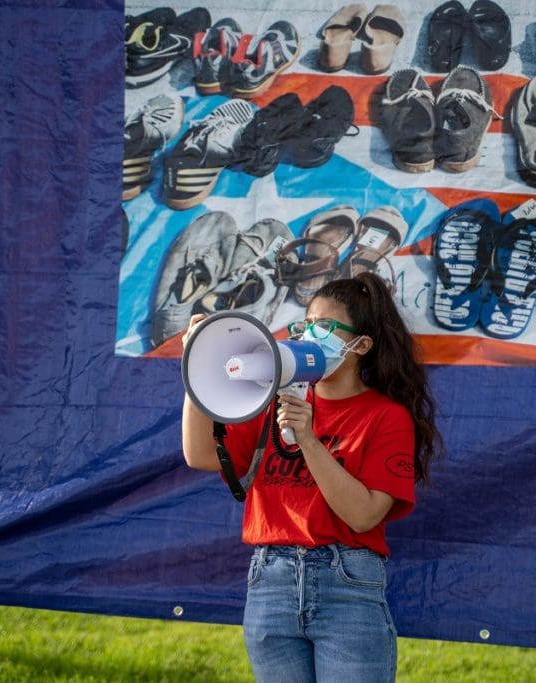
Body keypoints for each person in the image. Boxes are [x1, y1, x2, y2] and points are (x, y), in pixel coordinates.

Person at [181, 271, 441, 683]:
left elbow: (364, 515)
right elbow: (199, 455)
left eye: (326, 327)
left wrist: (308, 439)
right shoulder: (270, 398)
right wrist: (198, 368)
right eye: (305, 324)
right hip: (271, 580)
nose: (308, 334)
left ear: (361, 345)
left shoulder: (386, 417)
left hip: (346, 583)